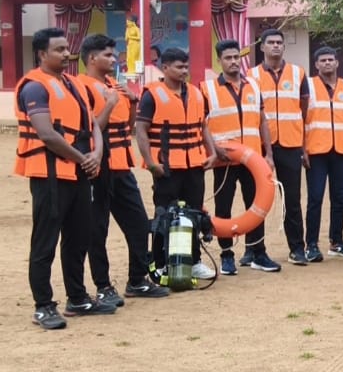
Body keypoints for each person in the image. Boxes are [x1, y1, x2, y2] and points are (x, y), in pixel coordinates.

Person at [16, 27, 114, 330]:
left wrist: (96, 153)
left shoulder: (72, 84)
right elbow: (46, 134)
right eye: (59, 49)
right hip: (49, 175)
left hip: (78, 173)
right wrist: (83, 158)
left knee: (78, 237)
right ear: (42, 54)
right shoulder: (34, 87)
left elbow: (92, 123)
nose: (66, 54)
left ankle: (78, 297)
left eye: (66, 48)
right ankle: (43, 306)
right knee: (45, 242)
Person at [76, 34, 169, 307]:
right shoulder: (81, 87)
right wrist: (109, 104)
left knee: (139, 223)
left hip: (121, 167)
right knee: (97, 230)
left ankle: (137, 280)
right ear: (92, 58)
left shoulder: (114, 86)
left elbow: (126, 128)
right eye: (107, 54)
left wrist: (131, 103)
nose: (113, 58)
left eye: (113, 54)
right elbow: (91, 128)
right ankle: (103, 286)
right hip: (98, 169)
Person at [135, 48, 219, 282]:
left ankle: (194, 262)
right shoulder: (152, 95)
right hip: (167, 167)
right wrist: (151, 163)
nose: (184, 71)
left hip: (195, 165)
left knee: (194, 214)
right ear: (165, 68)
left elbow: (203, 126)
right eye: (179, 67)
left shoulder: (196, 93)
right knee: (164, 216)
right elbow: (141, 130)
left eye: (186, 66)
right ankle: (161, 264)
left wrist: (212, 152)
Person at [202, 39, 281, 274]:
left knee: (256, 206)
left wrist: (268, 154)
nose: (234, 62)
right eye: (228, 58)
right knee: (223, 207)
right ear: (219, 61)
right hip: (224, 160)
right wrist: (214, 150)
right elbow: (201, 124)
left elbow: (263, 121)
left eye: (236, 57)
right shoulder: (208, 89)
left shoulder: (253, 86)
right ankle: (227, 255)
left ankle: (258, 253)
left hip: (253, 159)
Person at [249, 28, 309, 266]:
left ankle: (297, 248)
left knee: (292, 200)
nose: (275, 46)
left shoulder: (298, 73)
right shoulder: (252, 75)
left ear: (284, 47)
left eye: (279, 42)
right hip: (259, 146)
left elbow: (304, 108)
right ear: (262, 47)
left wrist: (302, 146)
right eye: (271, 42)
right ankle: (253, 250)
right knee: (256, 199)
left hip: (290, 144)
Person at [304, 47, 343, 259]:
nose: (327, 63)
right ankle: (311, 244)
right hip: (316, 151)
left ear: (337, 63)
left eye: (331, 60)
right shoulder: (308, 85)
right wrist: (302, 149)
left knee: (339, 199)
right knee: (315, 198)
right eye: (323, 60)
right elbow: (300, 118)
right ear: (316, 65)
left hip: (342, 150)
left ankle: (336, 241)